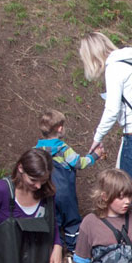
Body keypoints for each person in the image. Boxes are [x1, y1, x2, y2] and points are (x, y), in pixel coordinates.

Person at [79, 32, 132, 261]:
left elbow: (111, 110)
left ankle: (129, 249)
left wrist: (97, 138)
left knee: (127, 194)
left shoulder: (115, 67)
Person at [35, 108, 102, 252]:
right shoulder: (63, 148)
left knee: (53, 219)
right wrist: (95, 156)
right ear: (60, 129)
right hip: (64, 192)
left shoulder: (36, 149)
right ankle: (74, 248)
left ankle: (54, 248)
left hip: (45, 191)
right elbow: (79, 163)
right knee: (71, 219)